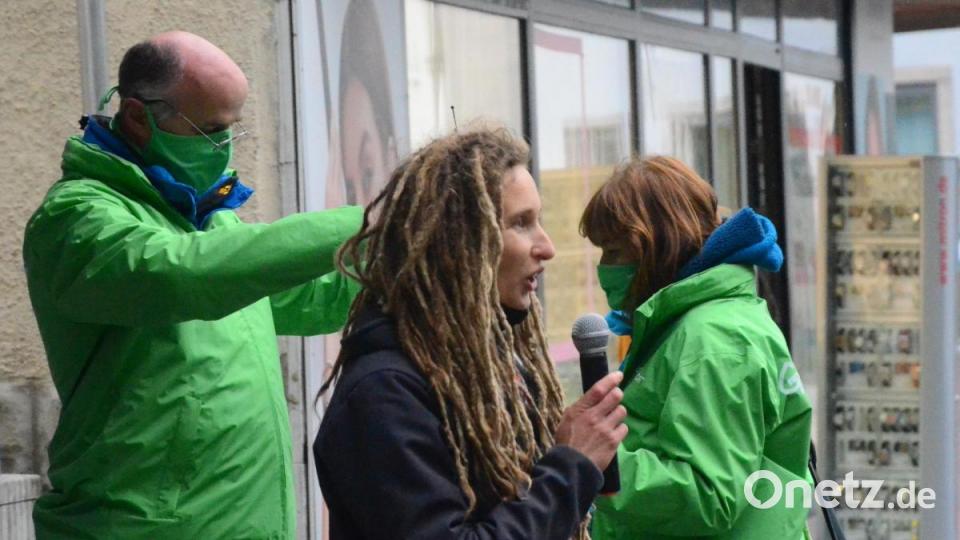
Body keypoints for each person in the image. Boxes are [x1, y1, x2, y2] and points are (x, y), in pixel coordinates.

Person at [23, 32, 361, 539]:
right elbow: (181, 276)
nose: (225, 148)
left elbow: (315, 299)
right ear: (138, 117)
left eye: (233, 130)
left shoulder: (210, 222)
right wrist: (367, 221)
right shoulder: (75, 218)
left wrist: (411, 251)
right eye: (211, 130)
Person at [313, 128, 627, 539]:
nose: (547, 247)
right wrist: (570, 468)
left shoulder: (487, 368)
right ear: (461, 244)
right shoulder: (385, 392)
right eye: (521, 223)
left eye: (539, 221)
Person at [580, 156, 813, 539]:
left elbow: (710, 495)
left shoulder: (713, 339)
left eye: (614, 252)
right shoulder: (691, 323)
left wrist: (596, 462)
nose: (604, 268)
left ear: (656, 246)